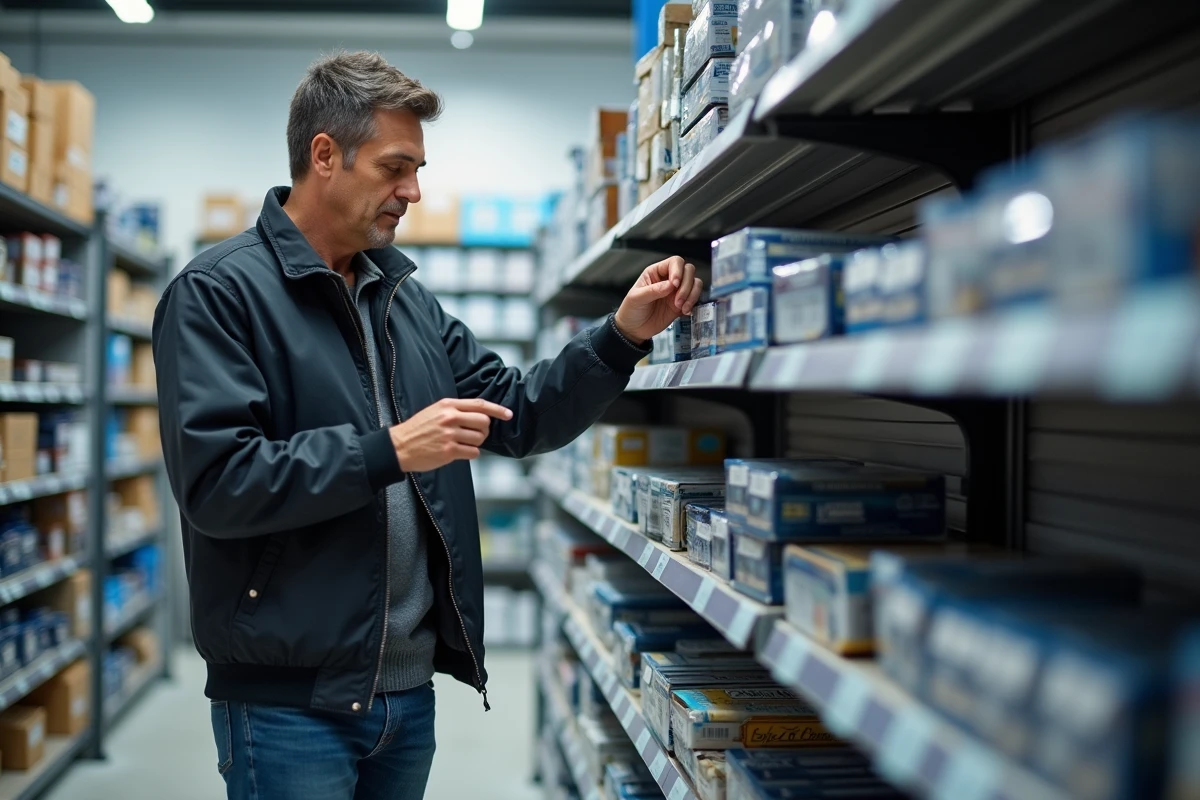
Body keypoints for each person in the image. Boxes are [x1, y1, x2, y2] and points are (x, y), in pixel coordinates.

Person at [152, 51, 701, 800]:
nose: (413, 191)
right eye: (395, 168)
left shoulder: (402, 298)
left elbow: (518, 413)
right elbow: (220, 484)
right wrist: (389, 450)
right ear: (324, 156)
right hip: (289, 702)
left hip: (407, 695)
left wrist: (620, 336)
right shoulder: (218, 294)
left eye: (417, 169)